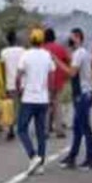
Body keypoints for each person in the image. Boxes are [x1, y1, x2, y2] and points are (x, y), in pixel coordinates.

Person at [53, 28, 92, 170]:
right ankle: (72, 157)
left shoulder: (79, 53)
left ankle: (91, 160)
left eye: (71, 38)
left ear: (78, 38)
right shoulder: (84, 53)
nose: (69, 40)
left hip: (83, 95)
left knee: (85, 128)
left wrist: (57, 61)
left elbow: (72, 73)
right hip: (85, 93)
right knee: (78, 129)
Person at [16, 28, 56, 175]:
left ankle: (33, 156)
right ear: (42, 41)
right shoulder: (47, 55)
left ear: (31, 40)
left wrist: (19, 91)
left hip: (28, 98)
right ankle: (41, 165)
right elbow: (52, 76)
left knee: (21, 129)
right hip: (43, 98)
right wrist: (51, 94)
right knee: (40, 132)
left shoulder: (25, 55)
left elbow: (19, 75)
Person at [43, 28, 71, 139]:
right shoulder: (60, 49)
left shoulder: (42, 49)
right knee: (57, 105)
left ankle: (45, 131)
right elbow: (68, 61)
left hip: (45, 82)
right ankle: (59, 130)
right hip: (59, 80)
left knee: (46, 106)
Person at [0, 30, 25, 142]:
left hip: (10, 83)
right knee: (22, 106)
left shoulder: (3, 52)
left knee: (10, 108)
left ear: (7, 40)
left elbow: (2, 69)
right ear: (16, 39)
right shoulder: (22, 50)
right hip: (23, 83)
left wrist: (3, 84)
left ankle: (11, 130)